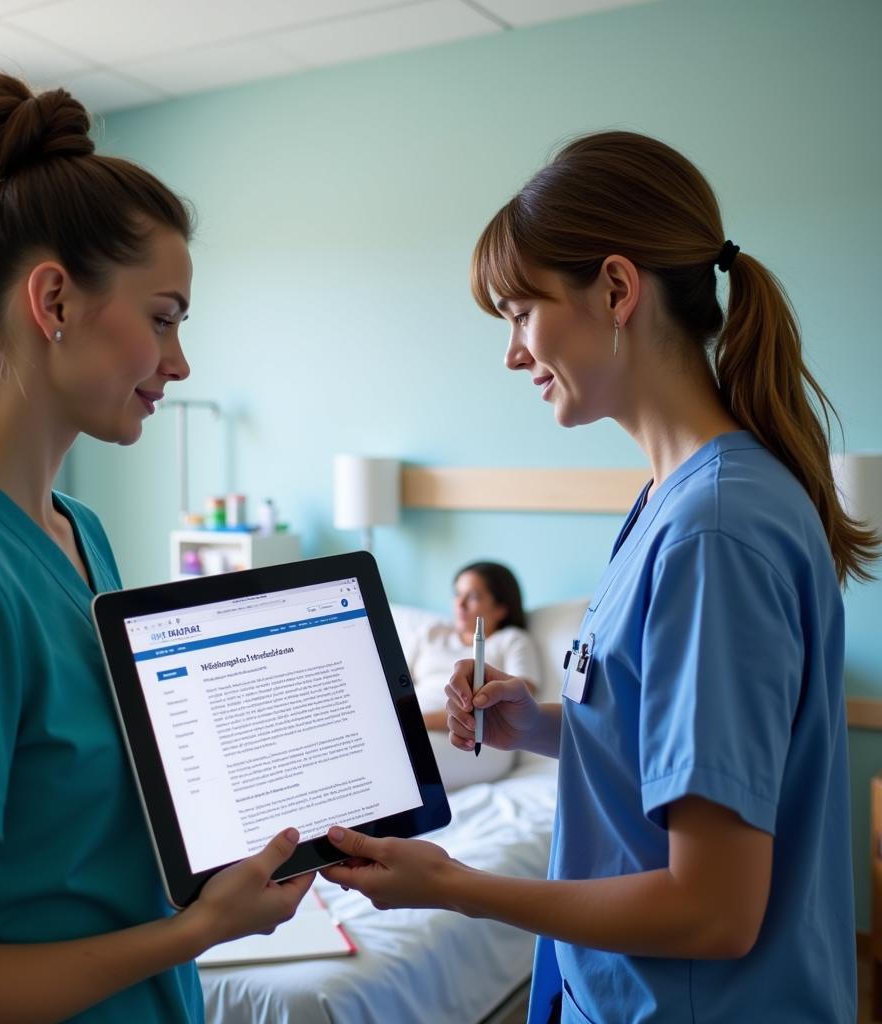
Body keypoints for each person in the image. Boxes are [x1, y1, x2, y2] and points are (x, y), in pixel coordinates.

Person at [321, 130, 878, 1022]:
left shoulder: (715, 530)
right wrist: (539, 726)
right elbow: (668, 744)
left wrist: (456, 886)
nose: (511, 353)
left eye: (519, 311)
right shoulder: (668, 500)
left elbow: (714, 909)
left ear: (617, 289)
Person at [0, 72, 311, 1024]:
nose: (180, 364)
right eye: (163, 317)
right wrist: (199, 932)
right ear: (54, 299)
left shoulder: (76, 533)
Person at [404, 561, 541, 788]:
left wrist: (414, 722)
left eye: (473, 597)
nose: (460, 604)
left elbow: (522, 699)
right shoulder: (431, 632)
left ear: (501, 608)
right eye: (457, 594)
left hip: (478, 739)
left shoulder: (511, 640)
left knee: (407, 763)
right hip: (412, 725)